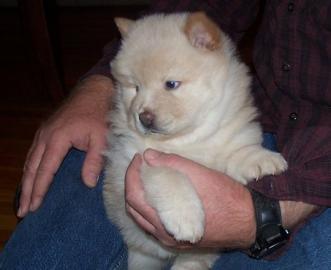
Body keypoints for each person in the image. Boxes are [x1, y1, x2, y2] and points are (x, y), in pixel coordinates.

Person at [1, 1, 331, 269]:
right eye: (135, 89)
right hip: (272, 114)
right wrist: (97, 84)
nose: (145, 109)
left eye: (171, 85)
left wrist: (263, 216)